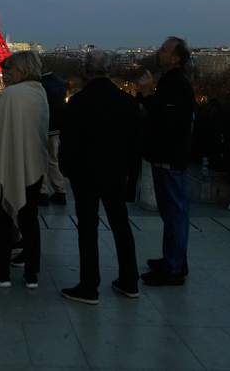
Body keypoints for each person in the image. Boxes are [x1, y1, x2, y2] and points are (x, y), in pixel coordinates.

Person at [59, 50, 142, 303]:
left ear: (85, 70)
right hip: (116, 173)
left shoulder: (78, 102)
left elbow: (68, 144)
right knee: (121, 226)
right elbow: (136, 144)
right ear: (109, 70)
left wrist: (68, 172)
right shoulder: (127, 102)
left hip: (85, 175)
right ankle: (130, 281)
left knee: (87, 229)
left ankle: (89, 285)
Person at [0, 50, 49, 289]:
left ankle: (2, 273)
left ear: (22, 69)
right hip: (33, 164)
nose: (5, 73)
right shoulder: (39, 92)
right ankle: (31, 275)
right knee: (30, 220)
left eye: (9, 69)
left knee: (2, 221)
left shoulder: (11, 95)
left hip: (9, 164)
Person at [138, 36, 195, 287]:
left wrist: (148, 95)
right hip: (172, 156)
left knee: (173, 214)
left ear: (176, 58)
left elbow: (165, 120)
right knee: (176, 213)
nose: (157, 52)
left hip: (168, 157)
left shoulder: (173, 84)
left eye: (163, 50)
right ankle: (175, 260)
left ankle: (173, 268)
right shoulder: (175, 81)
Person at [38, 67, 68, 206]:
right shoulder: (59, 82)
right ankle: (60, 190)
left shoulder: (39, 84)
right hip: (56, 127)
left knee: (41, 160)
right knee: (53, 160)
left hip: (43, 127)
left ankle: (42, 192)